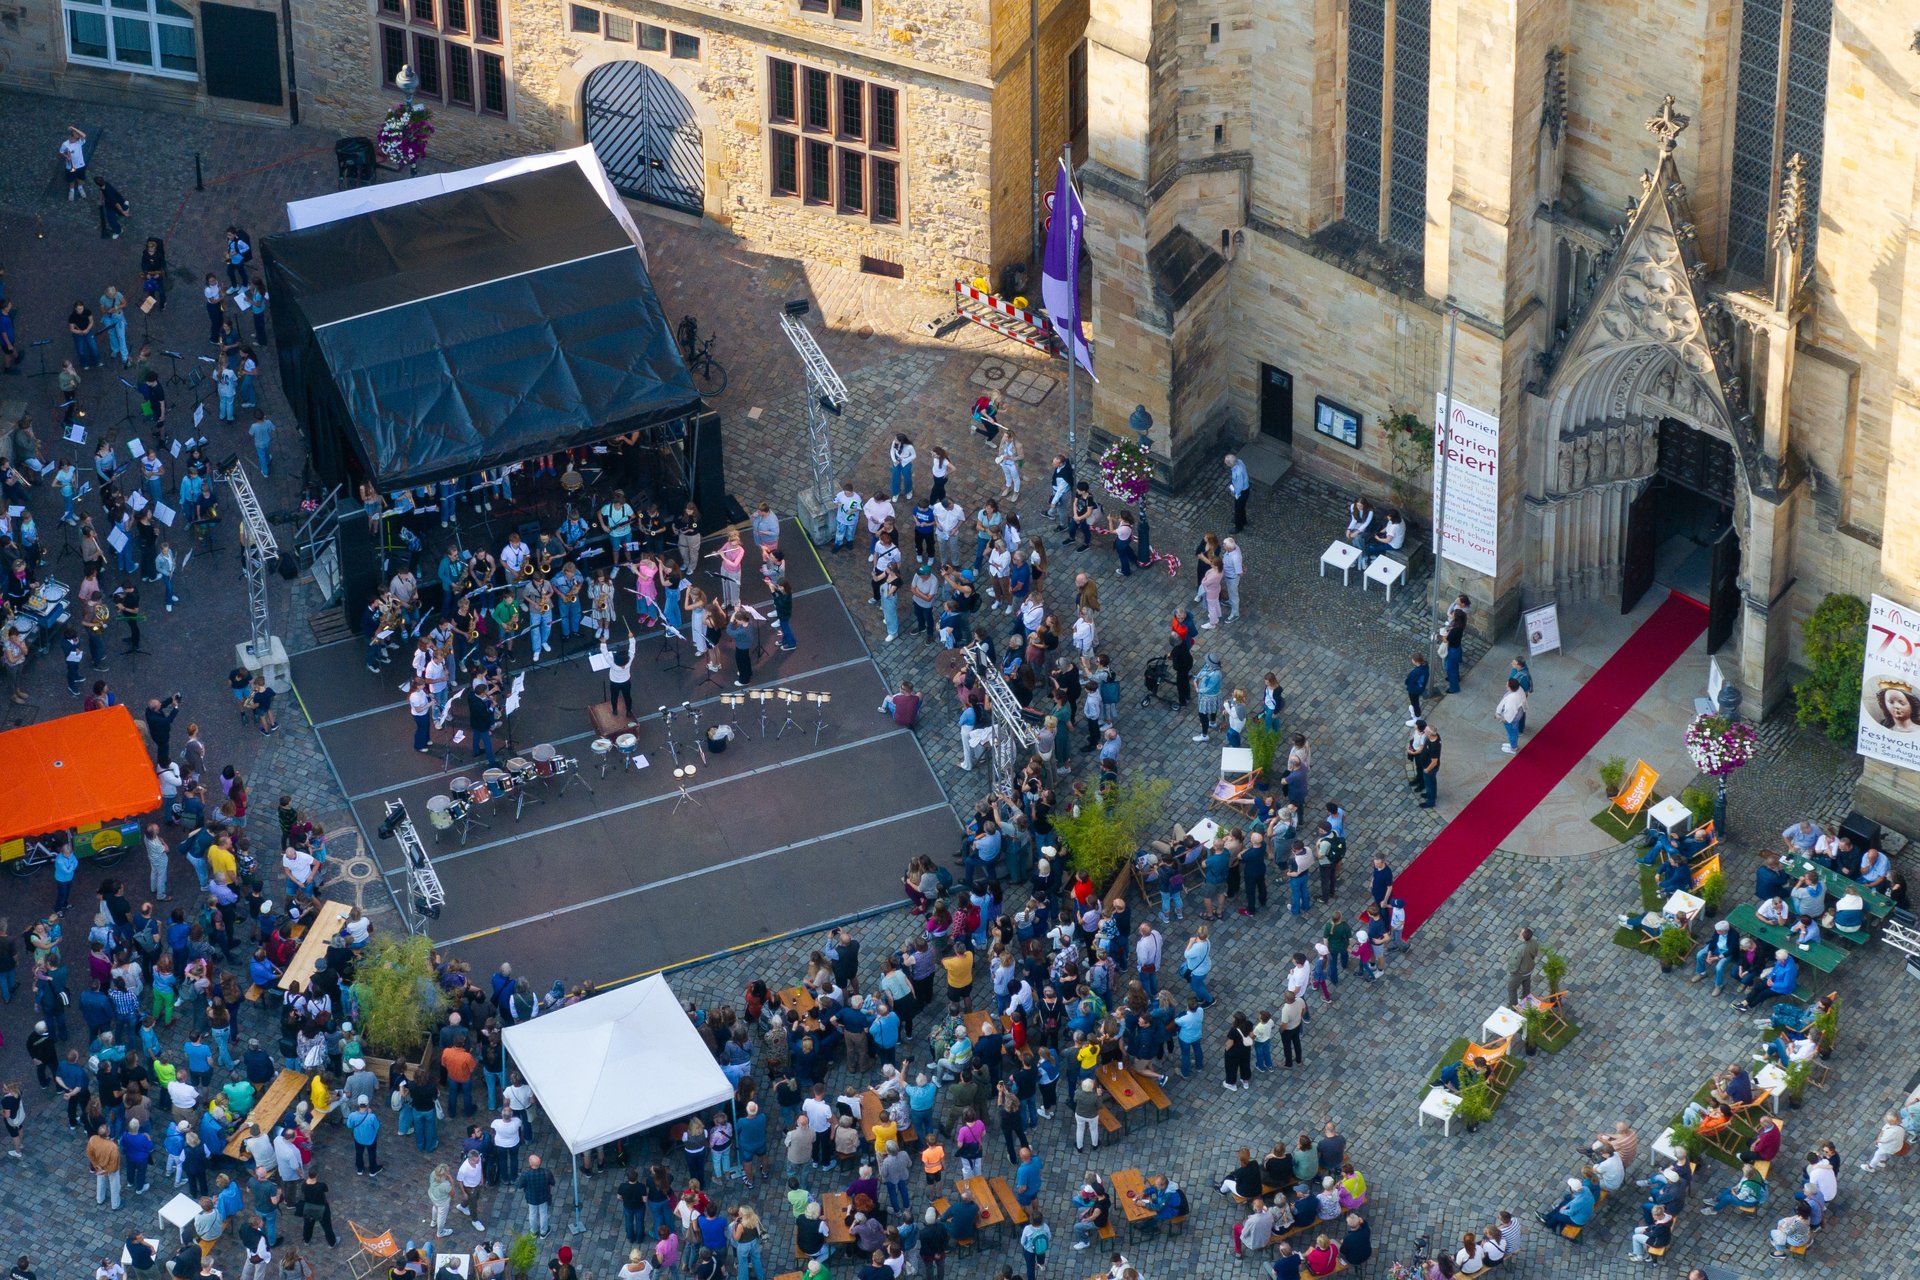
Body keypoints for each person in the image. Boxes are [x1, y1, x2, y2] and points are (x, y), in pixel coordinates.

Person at [1226, 453, 1250, 531]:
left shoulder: (1238, 472)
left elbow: (1239, 485)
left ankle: (1238, 527)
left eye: (1226, 463)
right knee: (1241, 508)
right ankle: (1243, 520)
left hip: (1241, 492)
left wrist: (1235, 493)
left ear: (1230, 464)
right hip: (1244, 489)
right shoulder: (1239, 462)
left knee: (1238, 509)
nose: (1226, 464)